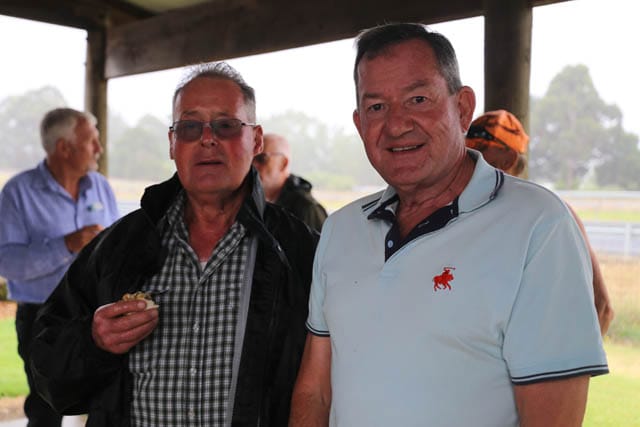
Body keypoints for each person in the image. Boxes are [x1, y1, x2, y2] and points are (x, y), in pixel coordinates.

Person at [290, 23, 608, 426]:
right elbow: (315, 391)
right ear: (359, 124)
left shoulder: (537, 224)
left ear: (462, 108)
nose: (397, 124)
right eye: (376, 107)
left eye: (418, 99)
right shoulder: (340, 230)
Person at [29, 62, 318, 427]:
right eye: (189, 127)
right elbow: (48, 367)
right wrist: (94, 340)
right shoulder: (121, 245)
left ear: (256, 140)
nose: (207, 139)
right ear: (172, 143)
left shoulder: (298, 251)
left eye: (226, 125)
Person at [0, 107, 119, 427]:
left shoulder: (101, 186)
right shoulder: (18, 192)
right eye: (92, 141)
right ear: (65, 148)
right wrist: (66, 245)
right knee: (46, 411)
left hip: (96, 313)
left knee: (108, 402)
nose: (99, 148)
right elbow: (6, 262)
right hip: (41, 318)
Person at [466, 109, 615, 335]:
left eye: (476, 155)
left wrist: (578, 357)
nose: (465, 165)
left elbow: (601, 308)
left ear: (507, 159)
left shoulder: (552, 215)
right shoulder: (470, 216)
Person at [253, 133, 328, 232]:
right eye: (250, 158)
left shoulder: (307, 209)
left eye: (261, 159)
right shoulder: (253, 204)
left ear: (283, 163)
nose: (253, 165)